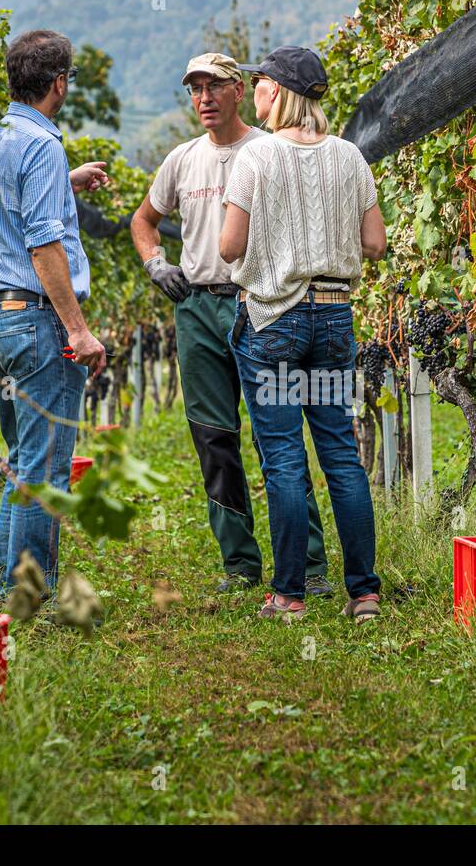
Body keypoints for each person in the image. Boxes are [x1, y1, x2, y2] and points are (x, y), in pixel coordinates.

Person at [130, 52, 332, 596]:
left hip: (261, 305)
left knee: (278, 438)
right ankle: (239, 565)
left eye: (214, 87)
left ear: (239, 89)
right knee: (214, 438)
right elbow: (144, 220)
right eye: (195, 89)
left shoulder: (271, 149)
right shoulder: (181, 160)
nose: (204, 99)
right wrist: (156, 264)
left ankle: (308, 565)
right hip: (196, 306)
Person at [219, 46, 387, 622]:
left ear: (278, 92)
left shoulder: (256, 159)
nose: (256, 91)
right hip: (334, 319)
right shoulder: (350, 158)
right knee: (341, 453)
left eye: (260, 83)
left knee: (285, 458)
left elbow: (229, 247)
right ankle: (363, 592)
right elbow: (374, 244)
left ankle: (289, 595)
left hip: (274, 323)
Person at [0, 29, 110, 600]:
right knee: (42, 471)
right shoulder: (43, 146)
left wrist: (64, 183)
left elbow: (1, 215)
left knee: (22, 464)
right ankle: (26, 596)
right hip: (35, 324)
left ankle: (11, 592)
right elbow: (44, 246)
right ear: (58, 84)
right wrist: (78, 330)